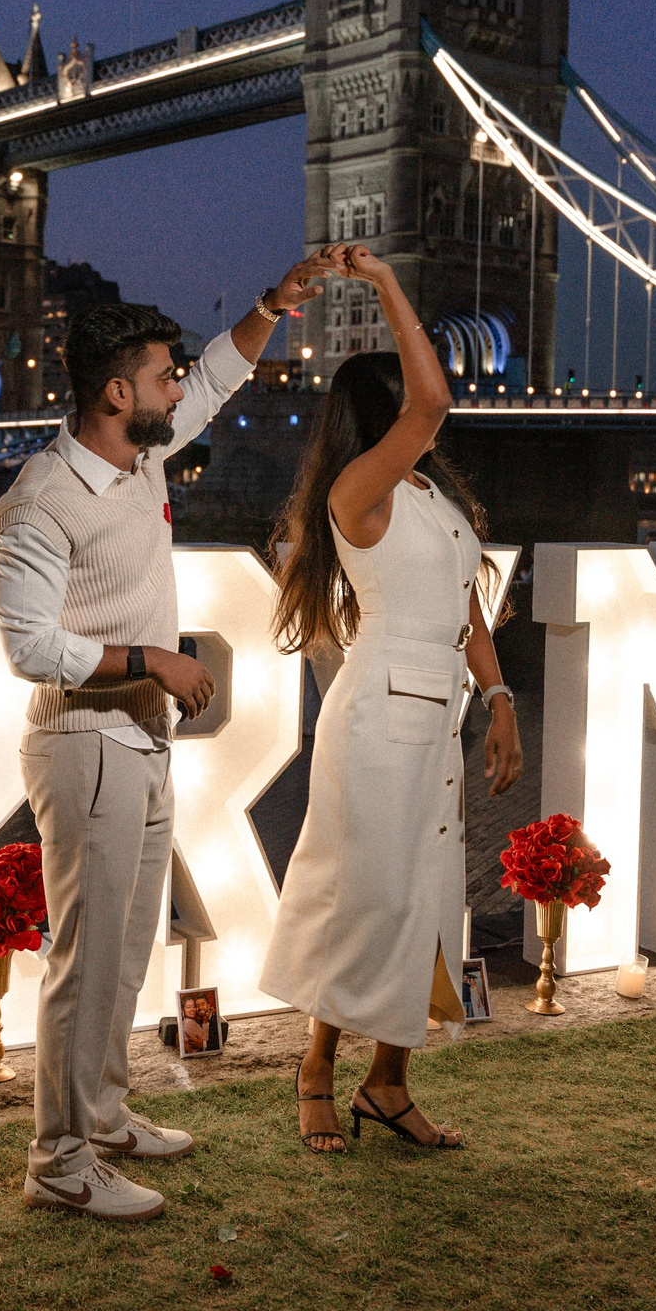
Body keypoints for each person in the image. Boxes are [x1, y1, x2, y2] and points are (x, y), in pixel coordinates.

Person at [0, 251, 338, 1221]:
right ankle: (57, 1159)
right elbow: (30, 646)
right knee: (84, 961)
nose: (177, 387)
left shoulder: (138, 454)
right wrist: (155, 659)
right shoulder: (39, 501)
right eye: (161, 375)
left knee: (128, 948)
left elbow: (222, 379)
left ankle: (102, 1117)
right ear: (115, 391)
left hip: (139, 746)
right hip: (84, 744)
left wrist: (274, 302)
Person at [261, 247, 523, 1157]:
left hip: (435, 718)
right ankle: (315, 1069)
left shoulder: (432, 501)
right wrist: (384, 286)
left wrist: (499, 698)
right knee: (363, 896)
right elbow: (434, 402)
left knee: (426, 901)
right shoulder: (358, 493)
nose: (433, 403)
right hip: (375, 721)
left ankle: (389, 1082)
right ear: (385, 413)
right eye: (411, 392)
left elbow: (466, 610)